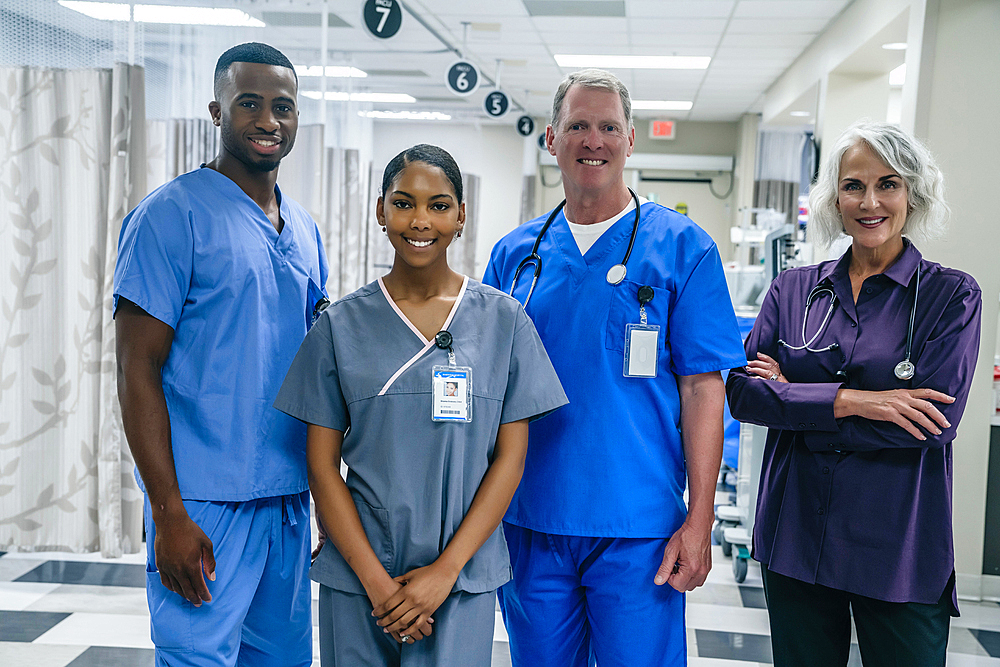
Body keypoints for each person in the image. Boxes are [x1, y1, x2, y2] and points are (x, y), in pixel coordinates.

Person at [483, 69, 746, 666]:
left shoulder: (684, 248)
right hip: (531, 518)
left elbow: (705, 388)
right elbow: (489, 392)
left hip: (640, 524)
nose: (592, 140)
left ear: (631, 140)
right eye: (577, 125)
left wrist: (699, 516)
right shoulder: (515, 255)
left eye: (607, 127)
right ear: (551, 139)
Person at [273, 144, 567, 666]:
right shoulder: (341, 325)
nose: (420, 220)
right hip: (359, 574)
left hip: (459, 576)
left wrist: (445, 571)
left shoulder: (504, 322)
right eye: (404, 203)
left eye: (438, 205)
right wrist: (377, 585)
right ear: (380, 212)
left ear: (460, 216)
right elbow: (320, 463)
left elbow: (511, 458)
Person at [726, 120, 982, 667]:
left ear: (913, 193)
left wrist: (796, 399)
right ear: (834, 197)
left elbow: (932, 422)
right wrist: (854, 401)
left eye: (888, 184)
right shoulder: (794, 289)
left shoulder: (950, 295)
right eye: (853, 186)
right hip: (796, 535)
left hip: (897, 545)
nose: (870, 202)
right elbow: (744, 394)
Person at [114, 43, 327, 667]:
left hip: (286, 499)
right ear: (217, 111)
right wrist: (168, 512)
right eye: (249, 104)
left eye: (282, 107)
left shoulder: (306, 230)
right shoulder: (170, 216)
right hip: (202, 502)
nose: (267, 120)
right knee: (196, 658)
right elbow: (136, 369)